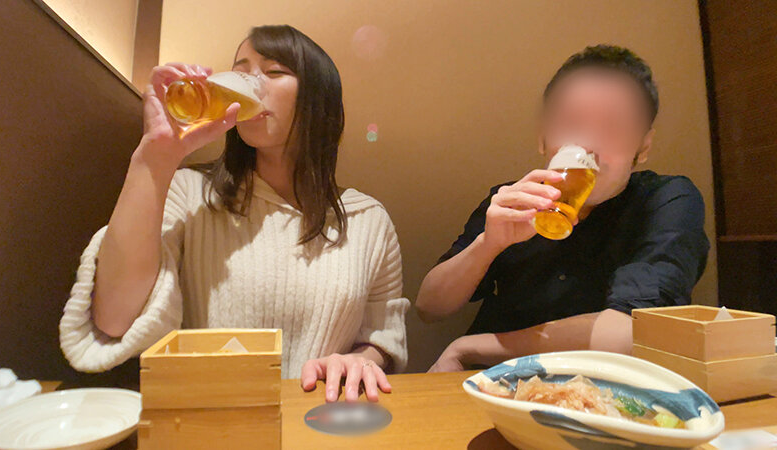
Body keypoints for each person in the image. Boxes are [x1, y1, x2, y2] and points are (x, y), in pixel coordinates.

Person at [59, 25, 409, 402]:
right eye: (241, 71)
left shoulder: (368, 220)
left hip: (323, 418)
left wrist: (359, 361)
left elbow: (382, 338)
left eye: (274, 71)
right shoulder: (189, 193)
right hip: (207, 418)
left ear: (318, 98)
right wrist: (154, 158)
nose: (250, 82)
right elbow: (114, 318)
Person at [417, 45, 709, 372]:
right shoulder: (512, 199)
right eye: (571, 123)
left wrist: (469, 348)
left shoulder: (666, 200)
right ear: (543, 137)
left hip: (603, 386)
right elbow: (430, 307)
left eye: (613, 127)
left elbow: (632, 334)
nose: (589, 144)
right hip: (490, 383)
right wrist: (489, 244)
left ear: (643, 146)